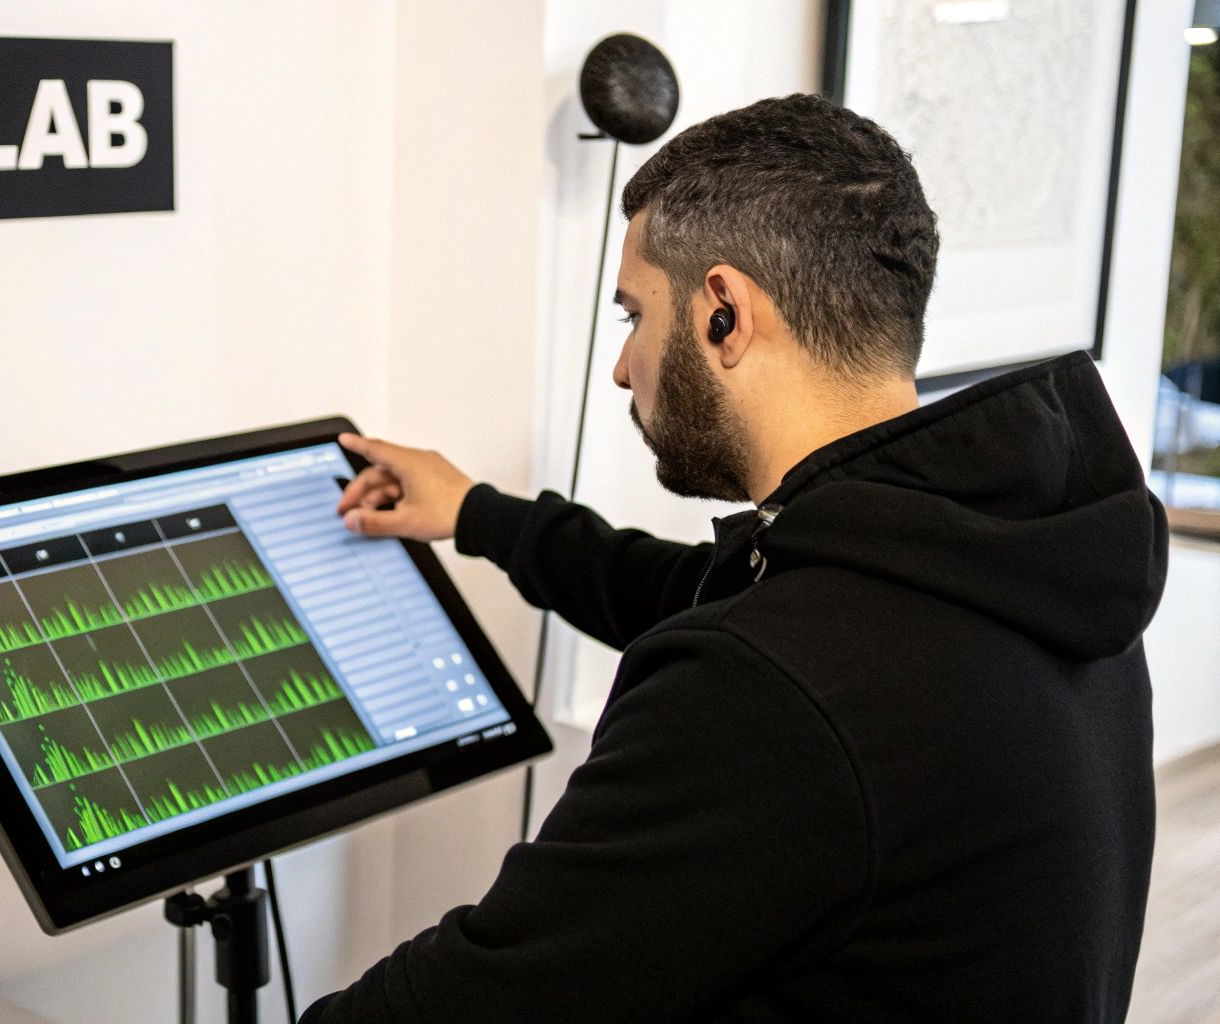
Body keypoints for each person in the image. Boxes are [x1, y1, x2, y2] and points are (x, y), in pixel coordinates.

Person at [301, 94, 1167, 1023]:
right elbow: (706, 595)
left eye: (634, 314)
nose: (623, 367)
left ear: (724, 312)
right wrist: (479, 514)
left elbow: (472, 1002)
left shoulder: (769, 695)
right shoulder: (1023, 565)